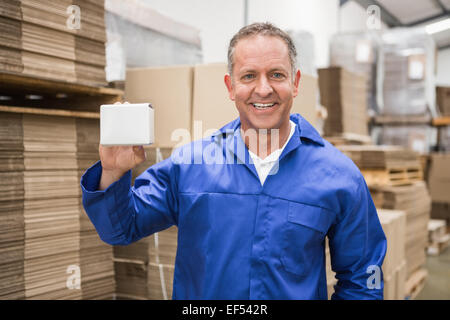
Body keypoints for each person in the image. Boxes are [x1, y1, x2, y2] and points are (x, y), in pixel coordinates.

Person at [81, 22, 386, 299]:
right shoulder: (189, 166)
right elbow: (120, 230)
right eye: (249, 76)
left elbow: (363, 279)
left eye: (276, 75)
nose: (263, 89)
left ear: (295, 82)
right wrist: (112, 172)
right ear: (231, 86)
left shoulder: (339, 176)